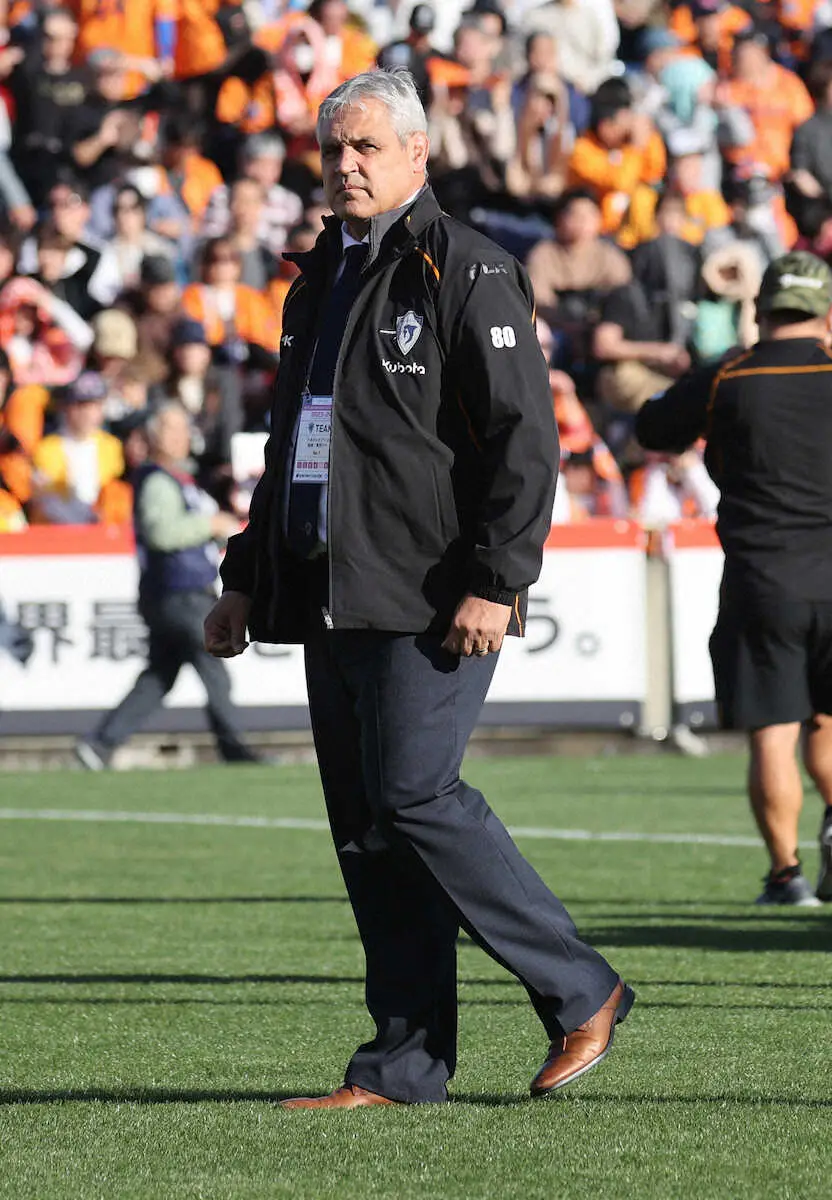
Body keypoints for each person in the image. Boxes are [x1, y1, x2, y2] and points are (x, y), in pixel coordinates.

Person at [204, 68, 633, 1110]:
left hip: (434, 593)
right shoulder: (317, 277)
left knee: (415, 795)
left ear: (415, 154)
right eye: (333, 149)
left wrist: (498, 579)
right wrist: (247, 577)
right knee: (369, 831)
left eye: (365, 147)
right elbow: (292, 447)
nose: (345, 166)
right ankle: (401, 1067)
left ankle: (583, 988)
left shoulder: (467, 267)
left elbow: (526, 443)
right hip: (326, 591)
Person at [636, 251, 832, 907]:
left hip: (763, 578)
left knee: (774, 731)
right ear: (825, 313)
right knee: (828, 723)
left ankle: (787, 876)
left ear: (760, 308)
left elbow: (653, 428)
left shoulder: (729, 375)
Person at [76, 402, 258, 771]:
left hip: (169, 592)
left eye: (183, 429)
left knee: (159, 676)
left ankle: (99, 745)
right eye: (172, 430)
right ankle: (234, 748)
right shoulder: (158, 480)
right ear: (156, 436)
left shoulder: (177, 479)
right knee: (213, 665)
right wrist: (210, 525)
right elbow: (162, 533)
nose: (181, 437)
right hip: (180, 592)